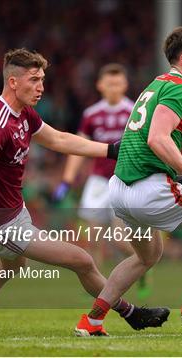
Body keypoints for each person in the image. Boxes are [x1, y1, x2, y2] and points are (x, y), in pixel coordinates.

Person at [0, 49, 169, 335]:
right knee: (82, 259)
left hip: (14, 210)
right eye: (34, 80)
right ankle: (131, 313)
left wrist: (111, 150)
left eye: (42, 79)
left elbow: (58, 139)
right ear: (13, 82)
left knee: (11, 265)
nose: (41, 87)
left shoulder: (21, 112)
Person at [75, 24, 182, 337]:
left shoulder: (157, 83)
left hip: (119, 190)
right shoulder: (181, 87)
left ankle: (92, 320)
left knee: (147, 255)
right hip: (149, 191)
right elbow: (157, 138)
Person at [53, 64, 152, 298]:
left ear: (125, 85)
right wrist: (66, 181)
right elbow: (78, 146)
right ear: (100, 85)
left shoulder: (135, 110)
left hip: (124, 180)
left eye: (118, 83)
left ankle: (143, 263)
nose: (114, 88)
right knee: (94, 240)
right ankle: (101, 291)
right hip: (97, 182)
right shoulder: (91, 115)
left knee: (119, 239)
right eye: (109, 83)